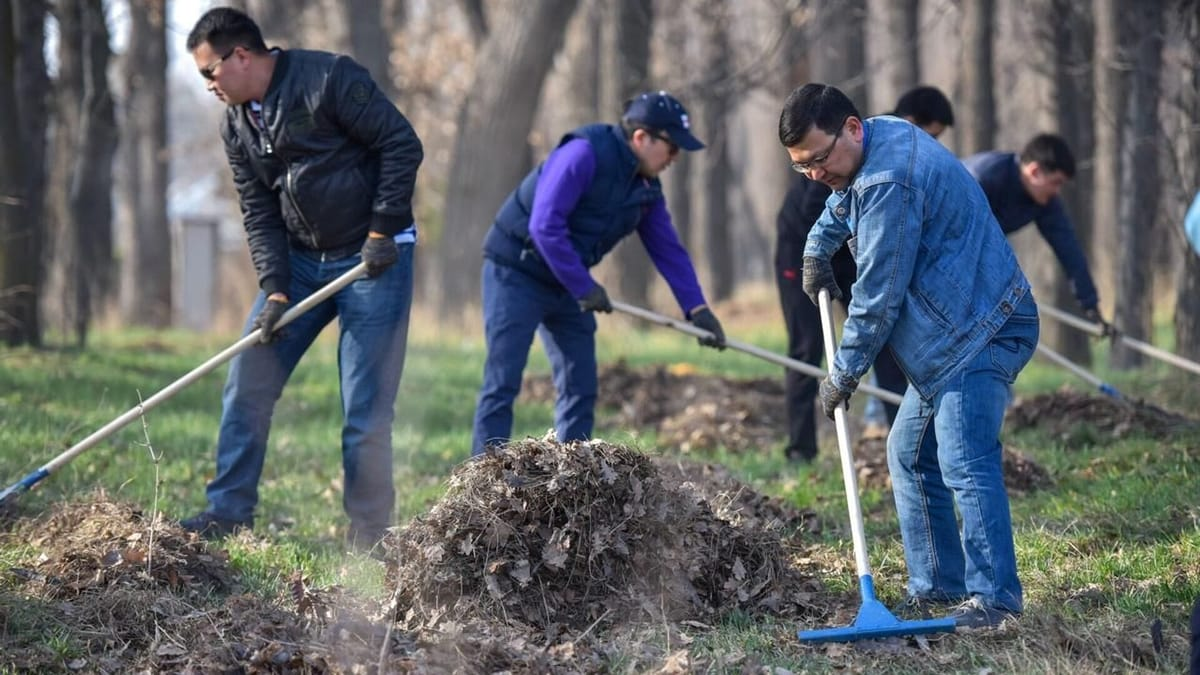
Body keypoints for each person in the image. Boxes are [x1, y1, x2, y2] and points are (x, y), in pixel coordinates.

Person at [779, 83, 1039, 628]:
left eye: (820, 159)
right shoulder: (880, 137)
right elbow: (838, 200)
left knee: (963, 457)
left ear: (851, 128)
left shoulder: (887, 183)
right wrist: (816, 248)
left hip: (981, 328)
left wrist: (843, 375)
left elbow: (876, 299)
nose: (816, 174)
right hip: (948, 338)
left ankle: (995, 601)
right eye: (802, 168)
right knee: (909, 453)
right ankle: (938, 591)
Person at [180, 7, 424, 552]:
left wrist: (384, 230)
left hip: (372, 259)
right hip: (303, 264)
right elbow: (258, 212)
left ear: (241, 55)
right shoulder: (237, 123)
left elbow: (401, 144)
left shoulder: (328, 79)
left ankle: (370, 537)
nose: (208, 86)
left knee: (365, 408)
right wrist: (275, 289)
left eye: (208, 73)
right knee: (249, 381)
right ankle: (228, 510)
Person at [471, 91, 725, 456]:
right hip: (516, 271)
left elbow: (669, 251)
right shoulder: (584, 153)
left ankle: (573, 479)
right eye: (671, 148)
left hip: (567, 282)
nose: (674, 158)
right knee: (504, 380)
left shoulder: (646, 188)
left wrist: (697, 309)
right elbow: (545, 226)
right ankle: (483, 480)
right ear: (642, 137)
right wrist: (583, 285)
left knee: (580, 382)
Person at [775, 85, 954, 463]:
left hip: (856, 253)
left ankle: (901, 439)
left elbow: (877, 299)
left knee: (885, 342)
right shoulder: (839, 152)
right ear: (912, 122)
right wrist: (819, 257)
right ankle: (800, 449)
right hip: (802, 247)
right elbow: (819, 212)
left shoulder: (885, 154)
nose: (931, 142)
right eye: (931, 132)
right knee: (807, 347)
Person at [963, 134, 1113, 333]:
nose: (1057, 191)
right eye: (1056, 182)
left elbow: (1069, 250)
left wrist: (1091, 306)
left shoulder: (1045, 203)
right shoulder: (983, 177)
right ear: (1034, 171)